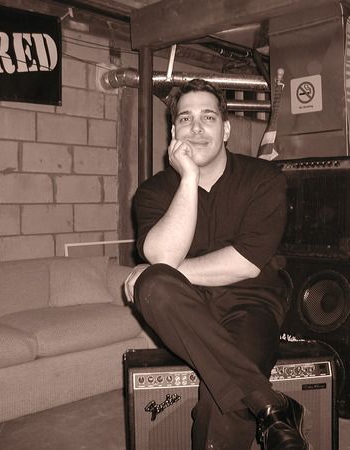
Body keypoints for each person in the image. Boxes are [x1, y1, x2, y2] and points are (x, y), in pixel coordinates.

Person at [124, 78, 309, 450]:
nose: (196, 128)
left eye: (207, 117)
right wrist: (189, 178)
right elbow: (163, 258)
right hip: (183, 307)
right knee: (155, 285)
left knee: (221, 400)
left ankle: (259, 403)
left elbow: (245, 263)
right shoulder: (153, 191)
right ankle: (271, 406)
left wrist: (160, 271)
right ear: (173, 132)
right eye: (185, 119)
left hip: (251, 302)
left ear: (225, 130)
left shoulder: (264, 179)